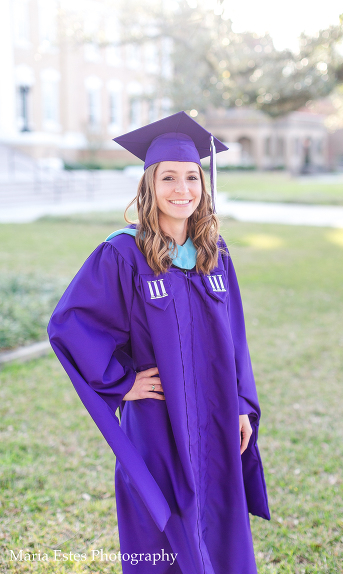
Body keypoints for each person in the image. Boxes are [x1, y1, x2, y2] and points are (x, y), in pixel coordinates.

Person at [47, 111, 270, 573]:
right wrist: (120, 382)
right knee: (161, 529)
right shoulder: (123, 253)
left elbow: (237, 338)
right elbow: (71, 324)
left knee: (217, 517)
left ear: (204, 186)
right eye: (168, 177)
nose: (182, 189)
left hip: (215, 415)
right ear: (149, 185)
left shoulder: (215, 252)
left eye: (193, 177)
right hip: (157, 421)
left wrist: (242, 404)